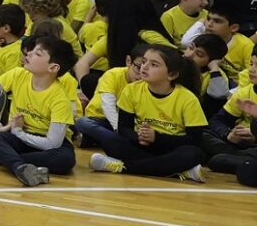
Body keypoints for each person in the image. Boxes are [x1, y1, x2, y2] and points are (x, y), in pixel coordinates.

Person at [0, 26, 78, 186]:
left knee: (65, 160)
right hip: (18, 137)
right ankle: (20, 167)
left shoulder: (60, 99)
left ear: (53, 68)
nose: (29, 53)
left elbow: (52, 143)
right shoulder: (17, 74)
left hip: (43, 142)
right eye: (32, 51)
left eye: (38, 53)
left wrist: (18, 132)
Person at [87, 43, 207, 179]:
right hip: (142, 145)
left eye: (154, 65)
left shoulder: (187, 99)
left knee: (194, 153)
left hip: (171, 147)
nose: (144, 67)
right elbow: (123, 128)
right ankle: (177, 171)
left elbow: (194, 139)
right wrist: (138, 137)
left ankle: (123, 167)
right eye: (144, 62)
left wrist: (156, 138)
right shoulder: (131, 90)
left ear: (172, 74)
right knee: (111, 141)